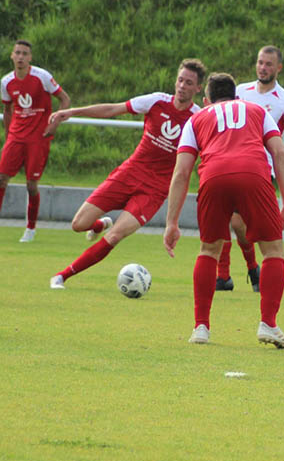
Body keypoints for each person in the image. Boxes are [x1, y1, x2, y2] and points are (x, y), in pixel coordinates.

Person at [163, 72, 284, 348]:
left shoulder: (196, 118)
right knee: (273, 251)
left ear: (206, 100)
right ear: (237, 97)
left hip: (213, 176)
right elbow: (279, 153)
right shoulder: (256, 111)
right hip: (253, 173)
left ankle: (201, 327)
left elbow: (181, 173)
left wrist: (172, 222)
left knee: (209, 250)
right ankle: (269, 324)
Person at [47, 59, 206, 289]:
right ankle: (100, 224)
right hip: (128, 174)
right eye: (180, 80)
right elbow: (114, 108)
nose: (182, 86)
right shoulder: (156, 101)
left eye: (189, 83)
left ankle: (62, 276)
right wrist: (72, 111)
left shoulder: (198, 118)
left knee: (115, 236)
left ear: (198, 89)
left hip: (154, 190)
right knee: (78, 224)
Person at [217, 45, 284, 291]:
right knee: (227, 220)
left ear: (279, 68)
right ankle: (224, 276)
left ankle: (253, 269)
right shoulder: (240, 91)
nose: (263, 68)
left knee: (243, 226)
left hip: (262, 171)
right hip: (229, 164)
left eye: (269, 64)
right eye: (260, 62)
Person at [0, 40, 70, 242]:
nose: (21, 57)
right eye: (17, 53)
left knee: (31, 185)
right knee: (0, 181)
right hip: (16, 137)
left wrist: (54, 124)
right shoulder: (6, 82)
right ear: (12, 56)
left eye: (25, 53)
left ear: (30, 57)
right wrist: (9, 136)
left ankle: (30, 229)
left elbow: (64, 100)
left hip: (38, 139)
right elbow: (7, 110)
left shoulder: (43, 77)